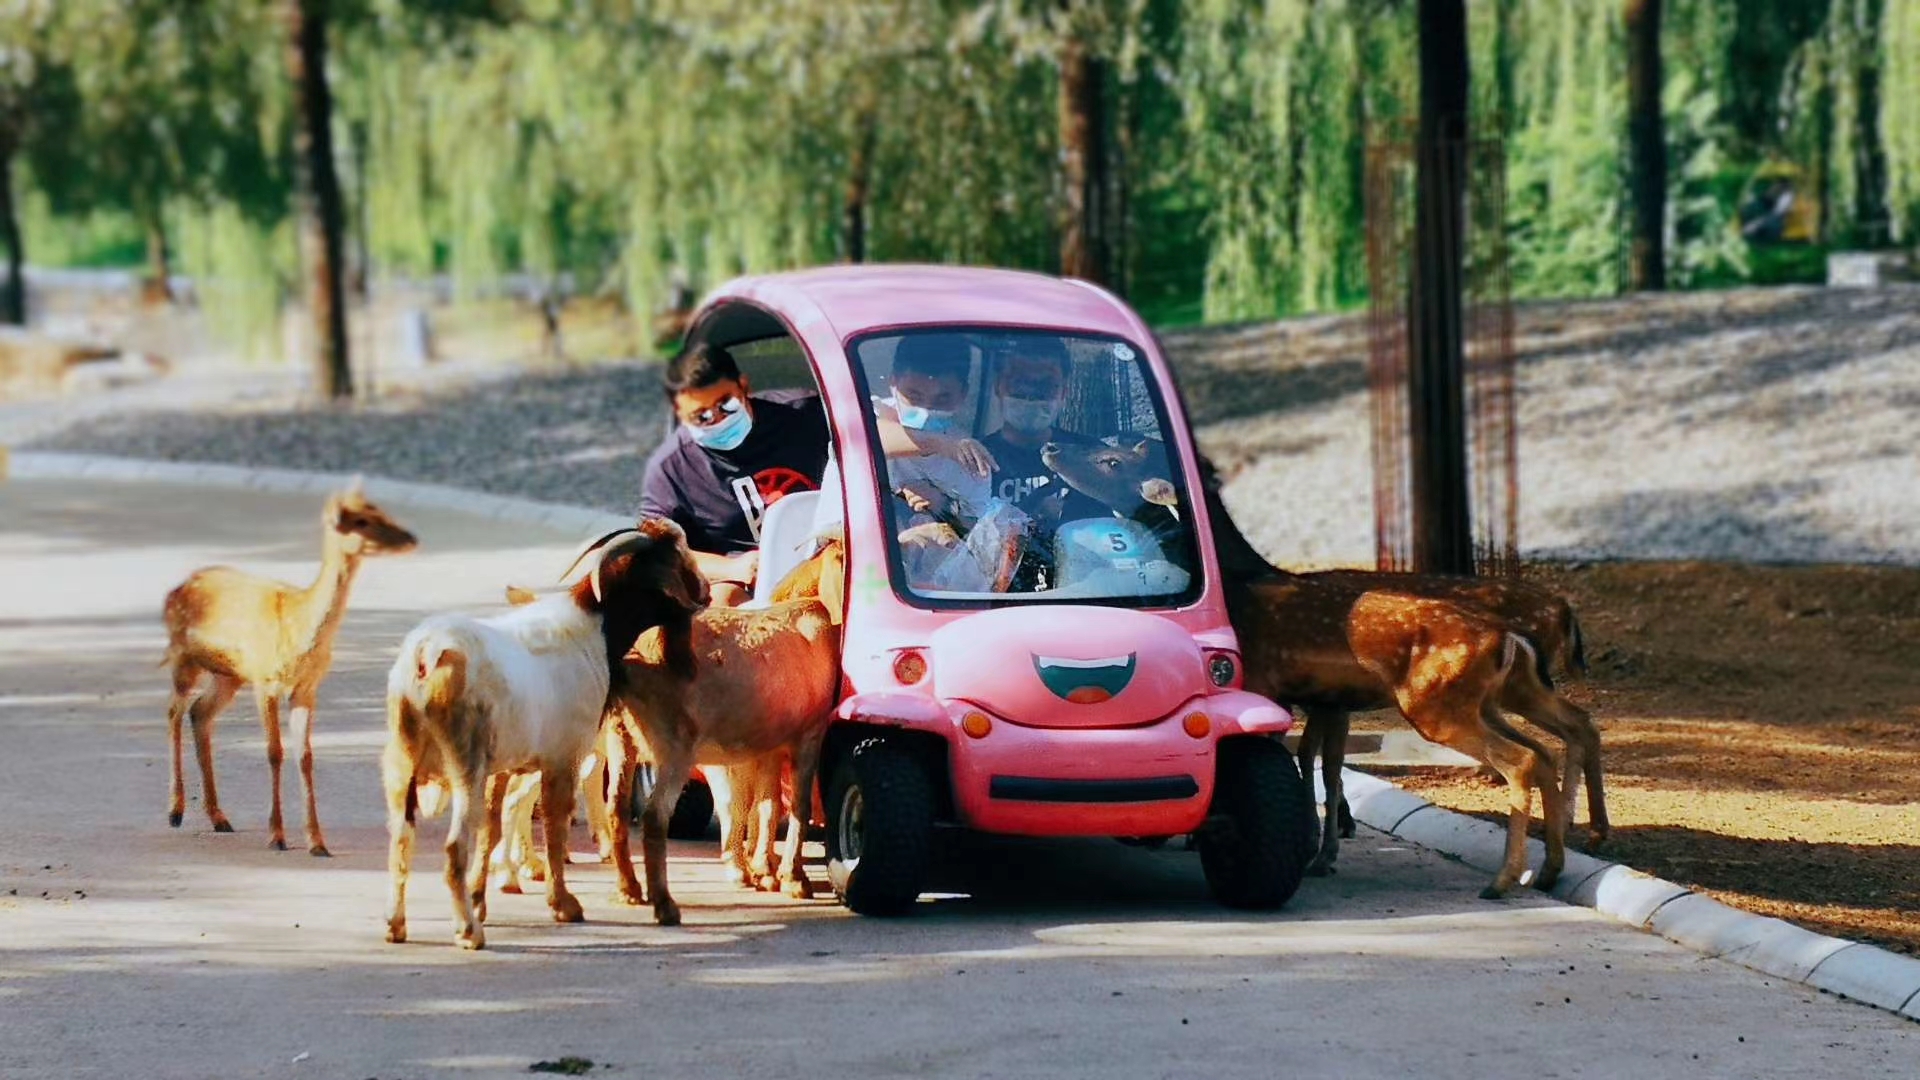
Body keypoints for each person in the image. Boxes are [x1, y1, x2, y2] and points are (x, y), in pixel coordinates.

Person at [638, 342, 829, 606]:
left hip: (828, 548)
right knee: (721, 602)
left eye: (726, 404)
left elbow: (875, 438)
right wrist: (731, 568)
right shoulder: (670, 469)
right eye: (701, 416)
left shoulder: (806, 413)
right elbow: (655, 553)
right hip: (749, 581)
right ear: (679, 414)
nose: (718, 420)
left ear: (744, 386)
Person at [979, 336, 1109, 527]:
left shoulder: (1095, 458)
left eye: (1045, 386)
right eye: (1019, 383)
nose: (1031, 395)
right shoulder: (976, 460)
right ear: (998, 386)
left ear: (1064, 392)